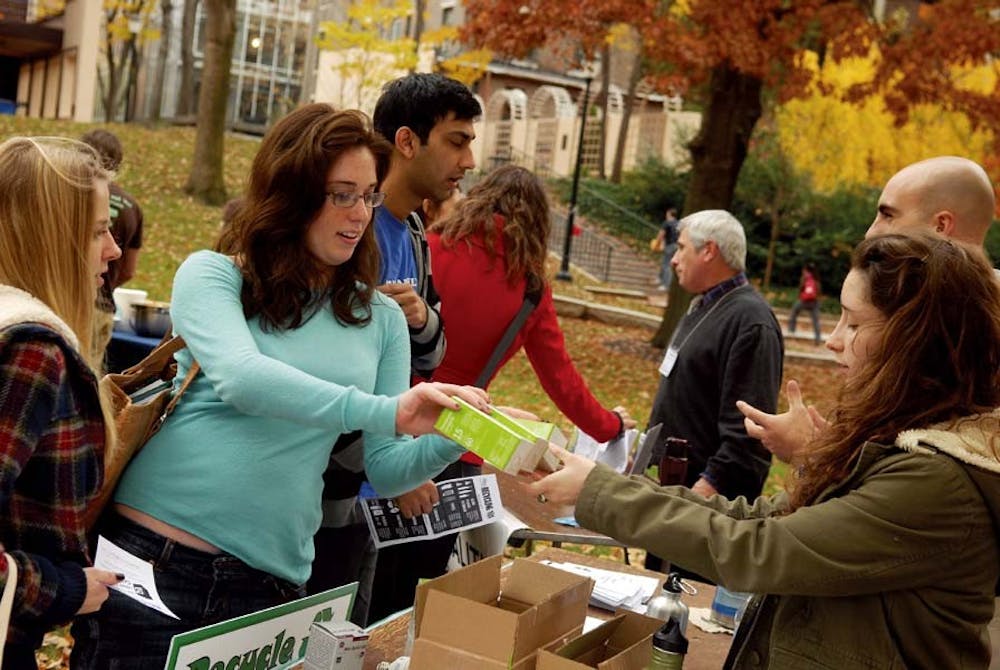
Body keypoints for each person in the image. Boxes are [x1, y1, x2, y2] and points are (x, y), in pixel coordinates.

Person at [70, 105, 489, 668]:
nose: (359, 213)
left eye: (368, 195)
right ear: (292, 193)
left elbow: (387, 469)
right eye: (341, 193)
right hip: (157, 561)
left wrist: (453, 427)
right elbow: (243, 379)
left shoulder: (383, 319)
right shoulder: (215, 275)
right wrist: (388, 410)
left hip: (271, 588)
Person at [532, 232, 1000, 669]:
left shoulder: (935, 482)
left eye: (854, 323)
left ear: (917, 343)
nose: (833, 339)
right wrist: (606, 487)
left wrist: (604, 495)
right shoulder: (901, 446)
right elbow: (760, 518)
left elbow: (761, 550)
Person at [366, 165, 635, 622]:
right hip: (462, 445)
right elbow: (561, 378)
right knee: (410, 597)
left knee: (365, 583)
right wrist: (609, 425)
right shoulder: (528, 287)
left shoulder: (429, 248)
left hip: (392, 425)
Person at [310, 73, 481, 623]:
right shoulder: (345, 231)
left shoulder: (412, 232)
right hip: (319, 493)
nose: (470, 160)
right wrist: (387, 466)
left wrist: (419, 316)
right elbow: (320, 369)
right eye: (456, 141)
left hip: (371, 488)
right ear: (407, 142)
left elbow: (429, 356)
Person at [740, 155, 997, 466]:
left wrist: (814, 460)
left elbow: (916, 489)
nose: (871, 232)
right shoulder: (960, 315)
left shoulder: (970, 328)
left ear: (941, 225)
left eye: (888, 215)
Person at [0, 137, 124, 668]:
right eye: (98, 230)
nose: (115, 249)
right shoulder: (29, 351)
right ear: (50, 235)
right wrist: (64, 588)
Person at [642, 209, 782, 573]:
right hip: (672, 501)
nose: (672, 258)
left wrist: (698, 498)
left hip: (702, 516)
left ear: (710, 251)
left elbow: (747, 436)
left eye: (682, 247)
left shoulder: (750, 321)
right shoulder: (704, 305)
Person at [79, 129, 145, 364]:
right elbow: (128, 270)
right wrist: (105, 284)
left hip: (70, 300)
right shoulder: (133, 208)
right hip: (103, 307)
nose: (112, 249)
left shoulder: (73, 194)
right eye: (99, 232)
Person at [786, 262, 822, 344]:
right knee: (816, 321)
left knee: (794, 311)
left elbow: (805, 291)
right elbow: (818, 292)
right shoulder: (816, 278)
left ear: (806, 270)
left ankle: (791, 330)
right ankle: (818, 338)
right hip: (815, 302)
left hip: (805, 301)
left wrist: (801, 297)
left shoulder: (807, 278)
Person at [655, 207, 679, 291]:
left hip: (669, 246)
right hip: (677, 246)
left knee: (666, 265)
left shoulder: (667, 223)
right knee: (667, 264)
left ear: (669, 214)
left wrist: (657, 244)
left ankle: (665, 285)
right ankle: (660, 279)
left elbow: (661, 234)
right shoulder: (678, 223)